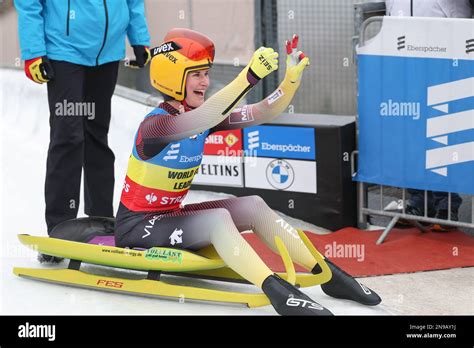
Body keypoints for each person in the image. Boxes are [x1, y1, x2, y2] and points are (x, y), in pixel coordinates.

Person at [115, 28, 381, 316]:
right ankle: (277, 290)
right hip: (137, 228)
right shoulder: (155, 126)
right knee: (217, 220)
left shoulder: (200, 117)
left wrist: (289, 82)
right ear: (172, 77)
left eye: (206, 73)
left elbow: (261, 112)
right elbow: (205, 117)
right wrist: (249, 76)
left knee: (252, 205)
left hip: (169, 218)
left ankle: (327, 273)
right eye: (197, 74)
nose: (206, 82)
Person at [14, 0, 151, 252]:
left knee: (97, 136)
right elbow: (29, 3)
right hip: (64, 52)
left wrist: (139, 37)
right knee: (69, 137)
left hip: (108, 53)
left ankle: (102, 221)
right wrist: (33, 51)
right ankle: (60, 227)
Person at [386, 0, 472, 231]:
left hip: (441, 74)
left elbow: (465, 27)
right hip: (406, 75)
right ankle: (418, 202)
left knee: (440, 137)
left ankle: (446, 206)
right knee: (413, 138)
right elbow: (390, 29)